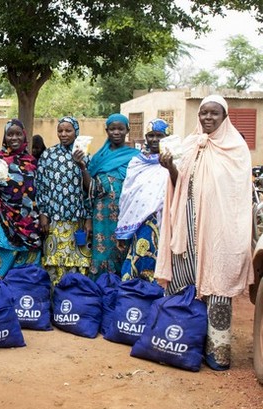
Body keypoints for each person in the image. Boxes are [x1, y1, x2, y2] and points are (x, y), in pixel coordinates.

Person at [156, 95, 253, 370]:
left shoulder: (236, 149)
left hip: (218, 232)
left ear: (224, 117)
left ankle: (216, 352)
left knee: (217, 288)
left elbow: (237, 197)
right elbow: (179, 185)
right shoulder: (189, 145)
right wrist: (170, 167)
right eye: (203, 113)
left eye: (214, 114)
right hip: (186, 229)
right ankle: (181, 345)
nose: (207, 118)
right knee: (183, 283)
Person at [78, 113, 138, 280]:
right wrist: (82, 168)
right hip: (101, 215)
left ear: (127, 130)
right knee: (101, 252)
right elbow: (89, 189)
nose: (116, 132)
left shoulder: (135, 157)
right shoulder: (98, 158)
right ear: (107, 131)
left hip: (126, 214)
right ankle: (101, 290)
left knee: (123, 252)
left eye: (120, 128)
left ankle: (122, 293)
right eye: (112, 129)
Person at [0, 119, 42, 284]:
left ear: (24, 136)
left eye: (18, 134)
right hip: (4, 222)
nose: (14, 138)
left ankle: (25, 304)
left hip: (30, 225)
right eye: (10, 134)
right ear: (5, 137)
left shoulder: (32, 162)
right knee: (1, 270)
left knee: (28, 276)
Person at [35, 117, 91, 285]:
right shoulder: (48, 155)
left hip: (78, 221)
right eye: (60, 131)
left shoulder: (86, 157)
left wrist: (88, 218)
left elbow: (89, 192)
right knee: (54, 263)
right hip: (55, 220)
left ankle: (75, 301)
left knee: (78, 263)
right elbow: (41, 185)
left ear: (76, 132)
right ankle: (56, 303)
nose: (64, 134)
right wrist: (43, 213)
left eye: (68, 130)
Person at [115, 119, 171, 282]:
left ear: (167, 137)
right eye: (151, 135)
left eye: (159, 136)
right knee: (139, 259)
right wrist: (123, 227)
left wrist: (170, 166)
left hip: (165, 221)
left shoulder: (175, 162)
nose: (154, 139)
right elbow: (127, 195)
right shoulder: (137, 162)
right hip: (140, 223)